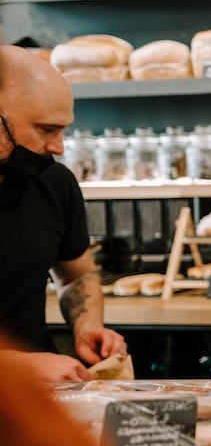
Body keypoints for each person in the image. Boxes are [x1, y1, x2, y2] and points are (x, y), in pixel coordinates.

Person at [0, 45, 126, 382]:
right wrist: (21, 367)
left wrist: (88, 327)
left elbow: (76, 274)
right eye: (46, 130)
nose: (59, 147)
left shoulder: (53, 182)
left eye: (62, 130)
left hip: (40, 405)